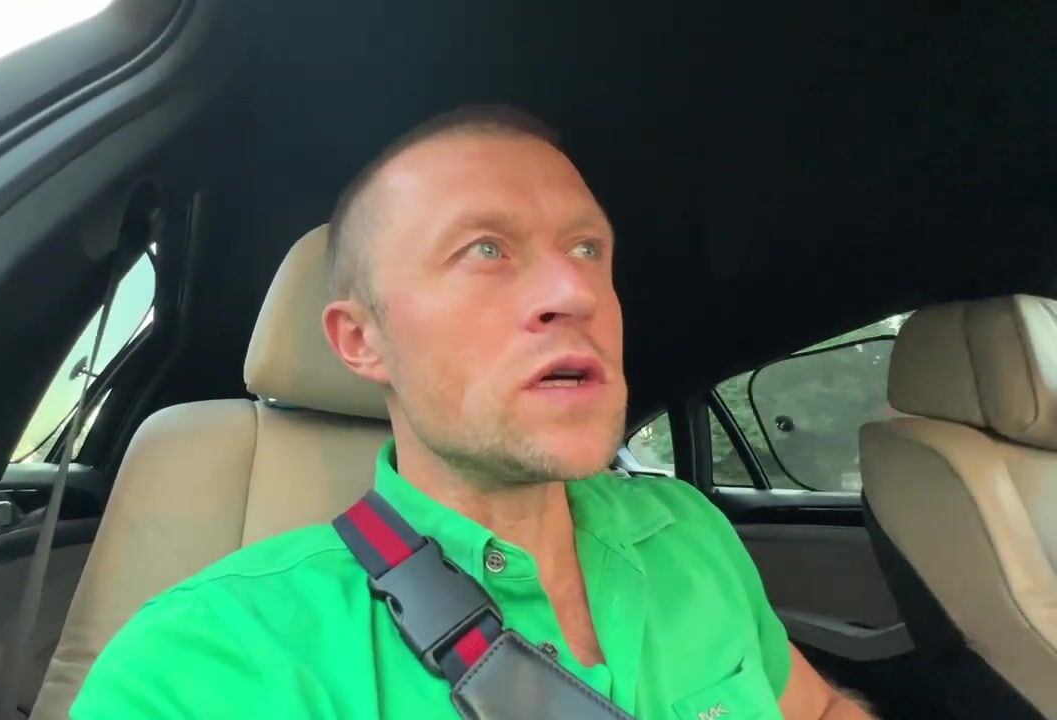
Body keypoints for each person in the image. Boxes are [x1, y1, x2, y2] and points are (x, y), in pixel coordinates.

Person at [71, 105, 873, 719]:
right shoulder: (208, 660)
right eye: (485, 249)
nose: (575, 291)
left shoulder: (686, 530)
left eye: (588, 248)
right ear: (361, 340)